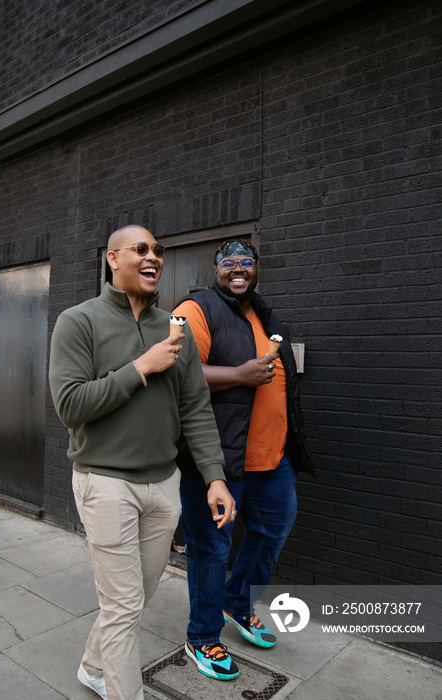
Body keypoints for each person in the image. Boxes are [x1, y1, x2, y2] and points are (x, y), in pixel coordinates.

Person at [49, 225, 236, 700]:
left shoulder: (175, 329)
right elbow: (70, 404)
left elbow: (195, 407)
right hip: (105, 482)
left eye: (158, 251)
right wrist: (141, 367)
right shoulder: (79, 321)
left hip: (163, 485)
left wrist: (214, 477)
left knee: (136, 598)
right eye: (141, 249)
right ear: (113, 259)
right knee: (125, 603)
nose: (154, 257)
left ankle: (93, 668)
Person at [173, 238, 314, 681]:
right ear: (215, 269)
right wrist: (239, 374)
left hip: (272, 460)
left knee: (274, 528)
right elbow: (179, 375)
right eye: (228, 263)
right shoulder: (199, 310)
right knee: (211, 549)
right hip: (217, 462)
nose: (238, 269)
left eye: (246, 262)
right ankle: (202, 638)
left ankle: (237, 603)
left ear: (257, 269)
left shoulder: (268, 317)